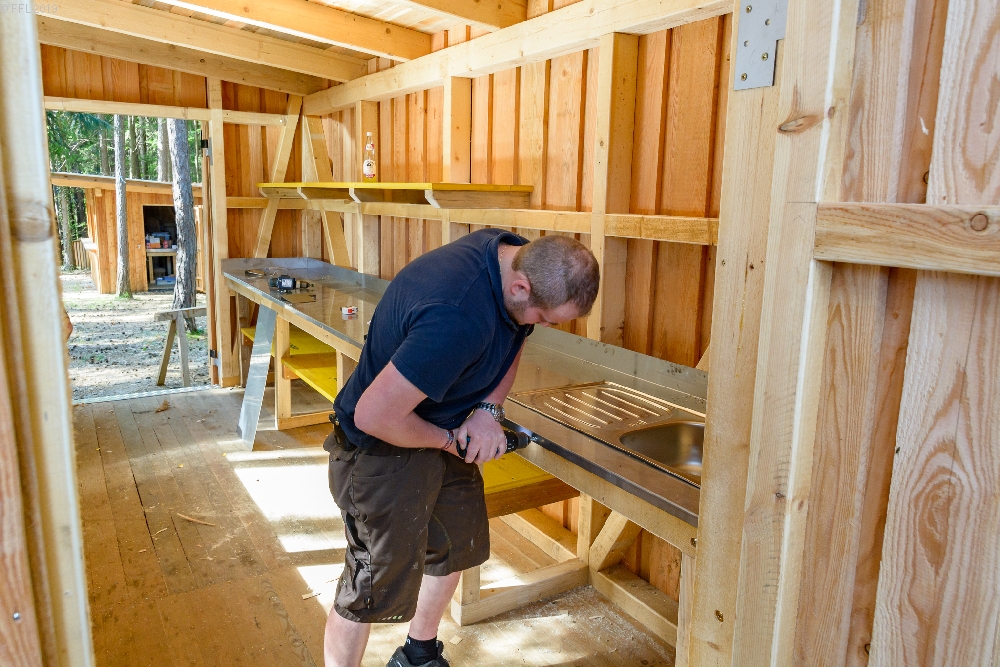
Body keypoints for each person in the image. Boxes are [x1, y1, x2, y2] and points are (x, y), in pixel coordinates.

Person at [324, 228, 600, 667]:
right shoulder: (455, 316)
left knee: (454, 547)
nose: (544, 327)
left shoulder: (512, 255)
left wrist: (488, 410)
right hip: (382, 447)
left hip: (442, 427)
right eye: (547, 318)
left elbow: (516, 335)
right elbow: (373, 415)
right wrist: (449, 442)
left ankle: (418, 655)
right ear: (521, 287)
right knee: (369, 586)